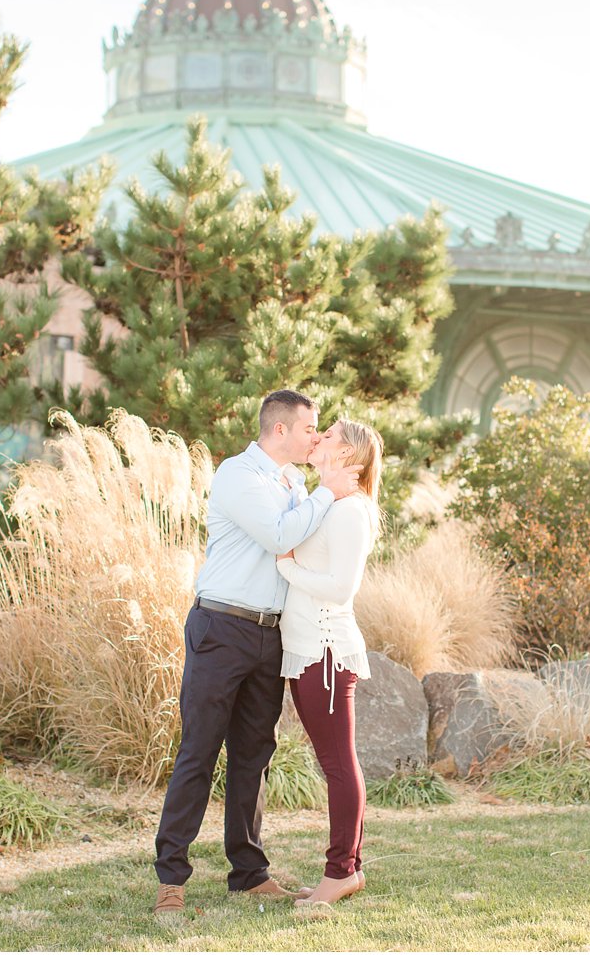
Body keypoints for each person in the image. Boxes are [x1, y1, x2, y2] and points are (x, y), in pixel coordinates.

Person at [153, 390, 360, 924]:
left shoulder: (292, 481)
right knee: (198, 752)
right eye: (310, 429)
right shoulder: (237, 475)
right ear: (280, 431)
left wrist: (325, 493)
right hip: (221, 627)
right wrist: (329, 492)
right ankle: (171, 879)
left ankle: (247, 873)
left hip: (271, 636)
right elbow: (278, 536)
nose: (316, 437)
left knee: (253, 756)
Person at [276, 418, 384, 908]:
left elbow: (341, 589)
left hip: (324, 653)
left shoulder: (351, 513)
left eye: (330, 436)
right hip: (307, 652)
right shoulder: (332, 506)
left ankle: (340, 872)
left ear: (351, 458)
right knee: (336, 763)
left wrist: (287, 567)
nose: (318, 439)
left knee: (339, 765)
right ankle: (349, 869)